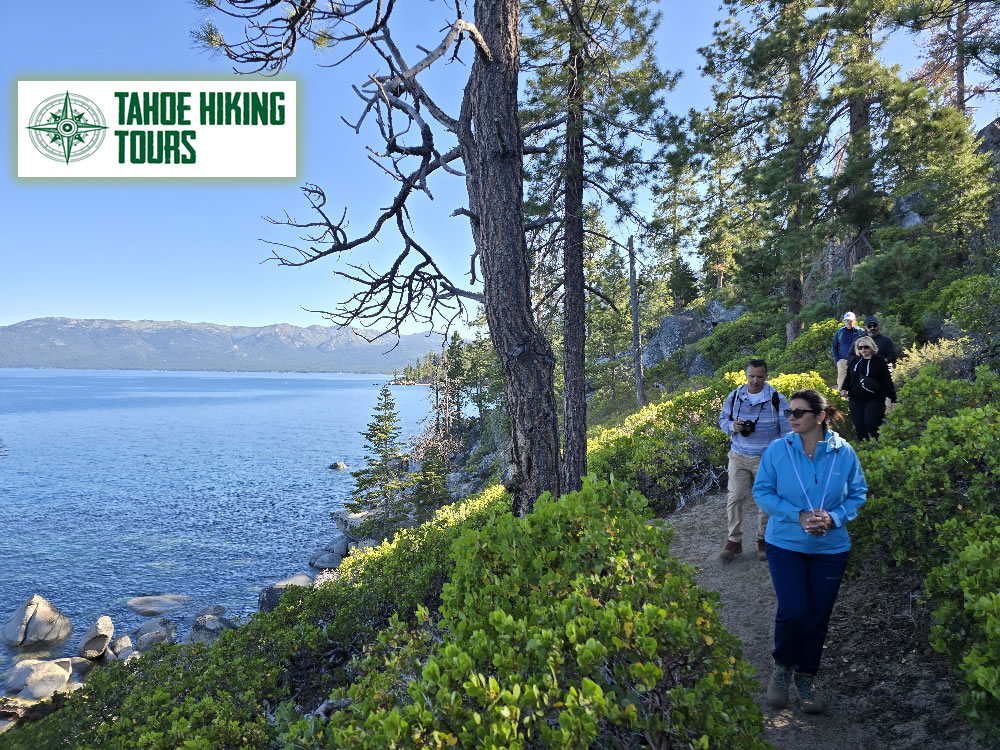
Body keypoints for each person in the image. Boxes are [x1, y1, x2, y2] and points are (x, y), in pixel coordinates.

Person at [753, 389, 867, 714]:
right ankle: (782, 668)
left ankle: (807, 676)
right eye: (789, 412)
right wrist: (798, 516)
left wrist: (834, 518)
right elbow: (762, 491)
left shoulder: (844, 452)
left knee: (818, 617)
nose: (791, 417)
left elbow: (858, 493)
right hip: (785, 544)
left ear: (820, 416)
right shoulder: (778, 450)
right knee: (793, 609)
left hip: (831, 548)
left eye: (799, 412)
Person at [718, 359, 792, 562]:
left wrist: (781, 456)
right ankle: (734, 540)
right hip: (738, 455)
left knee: (765, 501)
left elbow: (787, 430)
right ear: (746, 375)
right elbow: (723, 420)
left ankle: (763, 539)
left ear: (766, 376)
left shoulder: (777, 398)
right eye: (751, 376)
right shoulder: (735, 396)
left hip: (766, 459)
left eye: (760, 377)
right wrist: (732, 427)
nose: (755, 380)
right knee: (735, 497)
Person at [840, 335, 896, 441]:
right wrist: (844, 389)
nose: (863, 349)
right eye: (860, 347)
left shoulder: (879, 362)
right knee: (859, 426)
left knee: (870, 423)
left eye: (866, 347)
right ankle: (865, 447)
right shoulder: (855, 361)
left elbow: (887, 381)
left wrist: (893, 399)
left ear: (871, 346)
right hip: (855, 398)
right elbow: (848, 377)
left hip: (874, 398)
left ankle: (879, 443)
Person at [832, 312, 861, 391]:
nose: (848, 322)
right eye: (846, 320)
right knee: (841, 382)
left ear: (854, 320)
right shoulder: (839, 332)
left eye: (850, 320)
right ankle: (840, 397)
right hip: (843, 361)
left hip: (856, 360)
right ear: (844, 321)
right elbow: (834, 347)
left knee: (856, 380)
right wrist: (837, 360)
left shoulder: (860, 331)